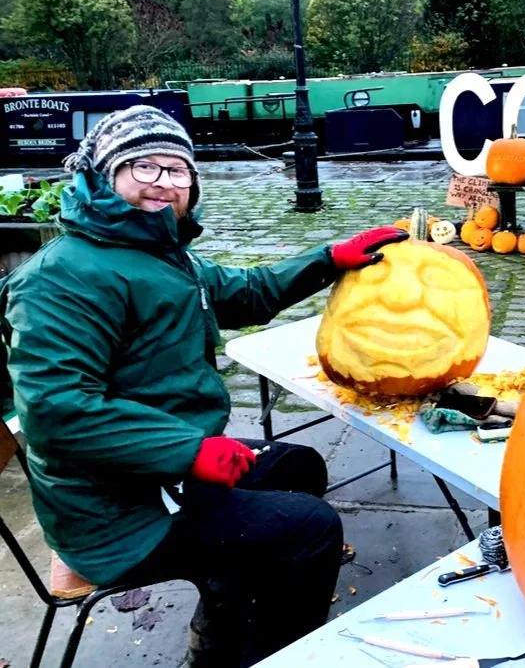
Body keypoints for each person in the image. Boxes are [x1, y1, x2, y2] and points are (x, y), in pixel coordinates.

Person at [0, 105, 408, 667]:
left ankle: (224, 617)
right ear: (103, 173)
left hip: (161, 477)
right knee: (312, 529)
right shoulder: (60, 277)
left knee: (299, 466)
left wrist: (328, 259)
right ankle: (267, 655)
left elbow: (246, 292)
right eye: (144, 167)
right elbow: (56, 411)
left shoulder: (163, 257)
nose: (165, 183)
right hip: (117, 512)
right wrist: (189, 450)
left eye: (178, 169)